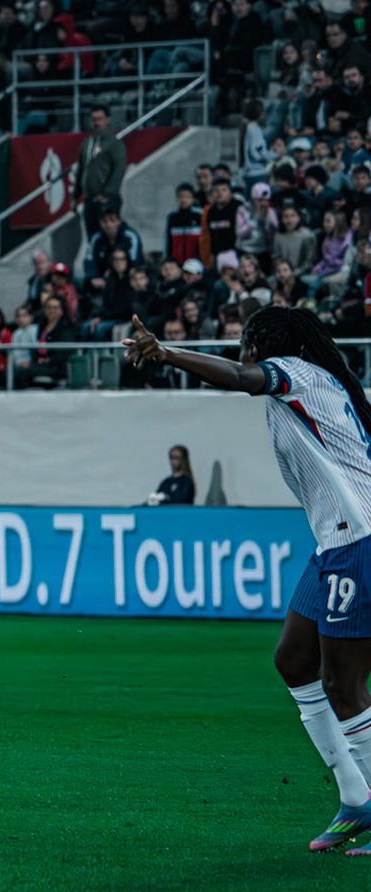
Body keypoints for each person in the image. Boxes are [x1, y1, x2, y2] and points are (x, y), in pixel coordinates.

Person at [123, 306, 371, 852]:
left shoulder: (297, 372)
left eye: (246, 340)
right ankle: (357, 798)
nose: (241, 350)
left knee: (344, 684)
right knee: (294, 660)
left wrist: (166, 353)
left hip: (359, 539)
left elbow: (238, 377)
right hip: (335, 543)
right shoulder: (309, 385)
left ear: (266, 344)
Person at [77, 106, 127, 237]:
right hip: (90, 199)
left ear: (107, 120)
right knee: (93, 239)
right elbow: (81, 170)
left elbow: (119, 169)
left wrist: (107, 193)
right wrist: (76, 195)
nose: (96, 123)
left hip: (107, 200)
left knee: (109, 236)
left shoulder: (114, 143)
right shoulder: (87, 143)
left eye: (99, 119)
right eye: (93, 119)